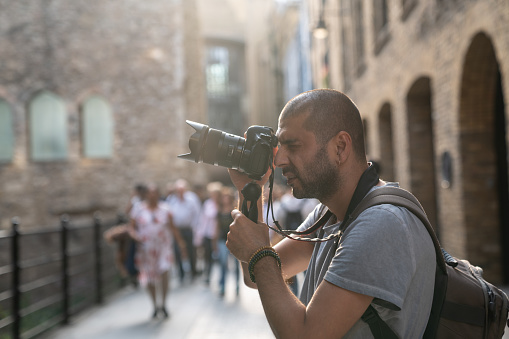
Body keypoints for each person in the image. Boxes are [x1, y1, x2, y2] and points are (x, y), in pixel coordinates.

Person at [226, 89, 436, 338]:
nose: (280, 160)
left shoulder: (380, 222)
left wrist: (259, 253)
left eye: (292, 146)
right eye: (279, 147)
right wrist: (250, 191)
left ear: (340, 147)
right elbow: (255, 277)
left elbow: (305, 336)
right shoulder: (329, 214)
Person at [128, 184, 186, 319]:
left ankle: (164, 303)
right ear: (146, 195)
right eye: (150, 193)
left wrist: (181, 245)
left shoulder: (166, 209)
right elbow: (131, 227)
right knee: (149, 278)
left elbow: (173, 228)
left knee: (164, 272)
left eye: (155, 193)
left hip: (163, 248)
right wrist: (135, 236)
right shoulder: (138, 209)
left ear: (158, 194)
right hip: (145, 250)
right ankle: (155, 305)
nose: (152, 195)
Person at [166, 179, 201, 282]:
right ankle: (181, 274)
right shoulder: (171, 200)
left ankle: (193, 272)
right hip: (177, 230)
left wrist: (195, 228)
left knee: (191, 250)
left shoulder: (192, 198)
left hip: (188, 229)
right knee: (177, 251)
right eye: (178, 190)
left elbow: (197, 214)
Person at [197, 181, 223, 285]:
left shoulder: (222, 204)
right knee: (208, 256)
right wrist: (200, 234)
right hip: (208, 234)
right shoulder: (208, 204)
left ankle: (221, 280)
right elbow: (203, 220)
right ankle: (208, 275)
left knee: (220, 257)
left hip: (219, 235)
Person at [216, 187, 240, 297]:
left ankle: (237, 286)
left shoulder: (234, 211)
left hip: (234, 241)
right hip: (222, 240)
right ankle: (222, 286)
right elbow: (216, 227)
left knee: (235, 265)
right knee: (223, 264)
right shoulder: (219, 212)